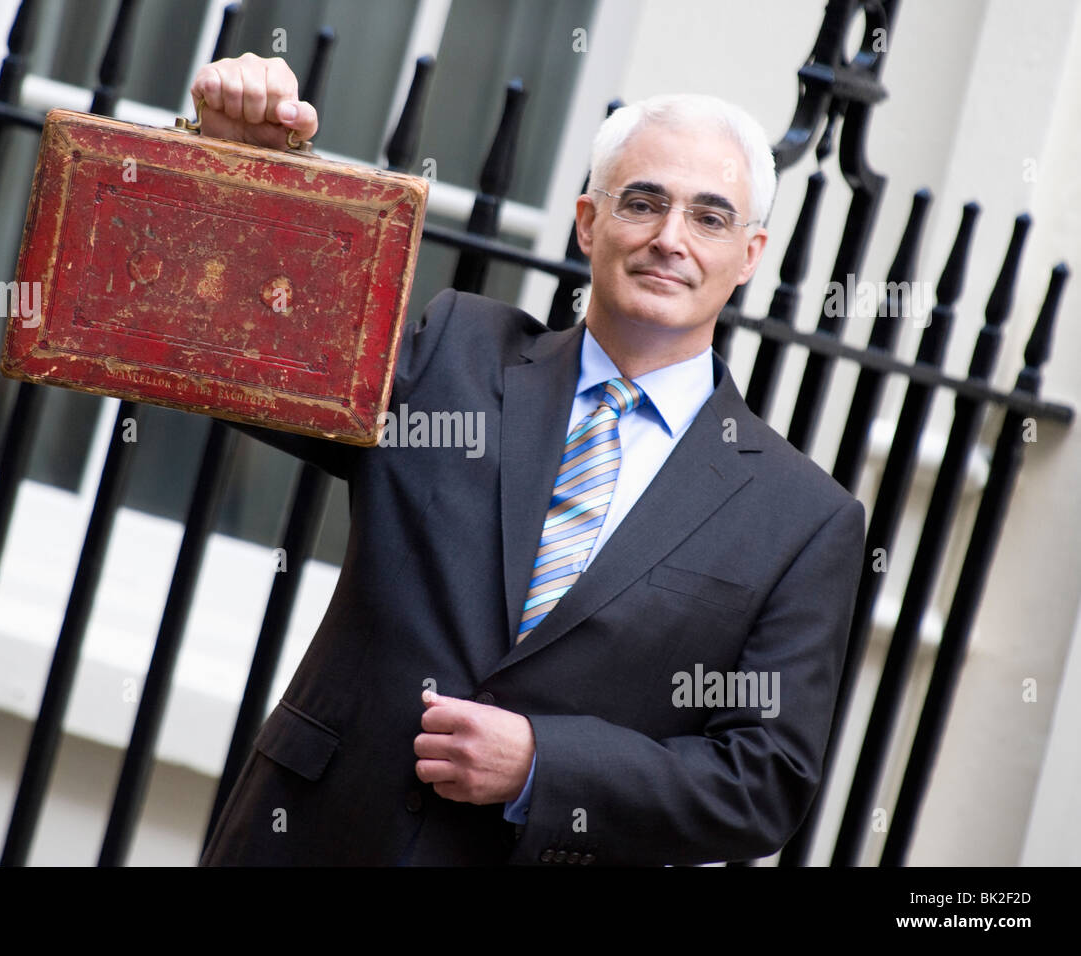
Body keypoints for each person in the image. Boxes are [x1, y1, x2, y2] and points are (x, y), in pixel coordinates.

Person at [190, 53, 865, 866]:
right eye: (642, 202)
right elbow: (228, 346)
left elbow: (763, 784)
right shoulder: (452, 354)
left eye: (710, 218)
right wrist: (228, 168)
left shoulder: (801, 519)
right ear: (588, 222)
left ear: (749, 255)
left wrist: (546, 764)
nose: (669, 239)